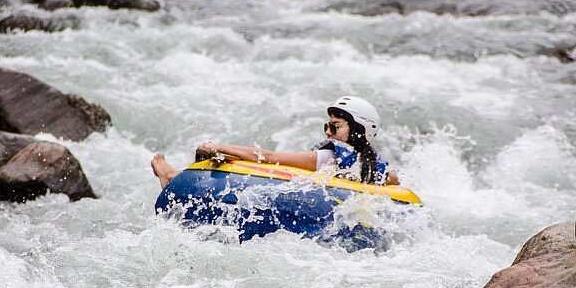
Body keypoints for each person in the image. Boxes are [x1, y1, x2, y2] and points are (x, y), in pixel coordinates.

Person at [151, 95, 399, 189]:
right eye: (327, 126)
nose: (327, 133)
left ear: (357, 130)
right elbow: (393, 182)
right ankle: (174, 176)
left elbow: (269, 157)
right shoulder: (376, 167)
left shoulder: (329, 157)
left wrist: (221, 148)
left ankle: (173, 177)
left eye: (334, 126)